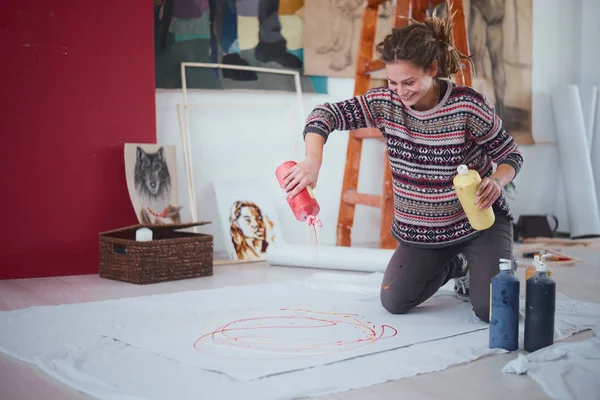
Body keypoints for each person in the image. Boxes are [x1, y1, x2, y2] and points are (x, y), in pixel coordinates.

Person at [281, 5, 523, 323]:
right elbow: (323, 114)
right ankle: (459, 264)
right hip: (423, 234)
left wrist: (497, 181)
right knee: (395, 300)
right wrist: (313, 160)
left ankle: (478, 260)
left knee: (490, 310)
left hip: (477, 224)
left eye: (408, 82)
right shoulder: (386, 103)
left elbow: (510, 156)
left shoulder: (467, 105)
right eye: (393, 82)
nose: (400, 92)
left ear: (433, 67)